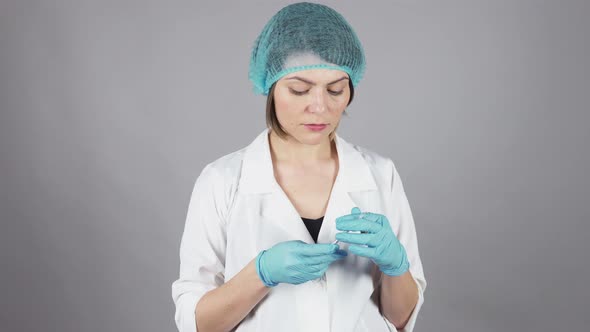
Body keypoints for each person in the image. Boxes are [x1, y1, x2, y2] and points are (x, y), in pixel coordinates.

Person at [171, 2, 426, 331]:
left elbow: (401, 317)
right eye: (299, 89)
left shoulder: (380, 174)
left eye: (335, 90)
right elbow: (198, 323)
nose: (319, 107)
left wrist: (395, 267)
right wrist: (259, 274)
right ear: (270, 88)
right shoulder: (221, 181)